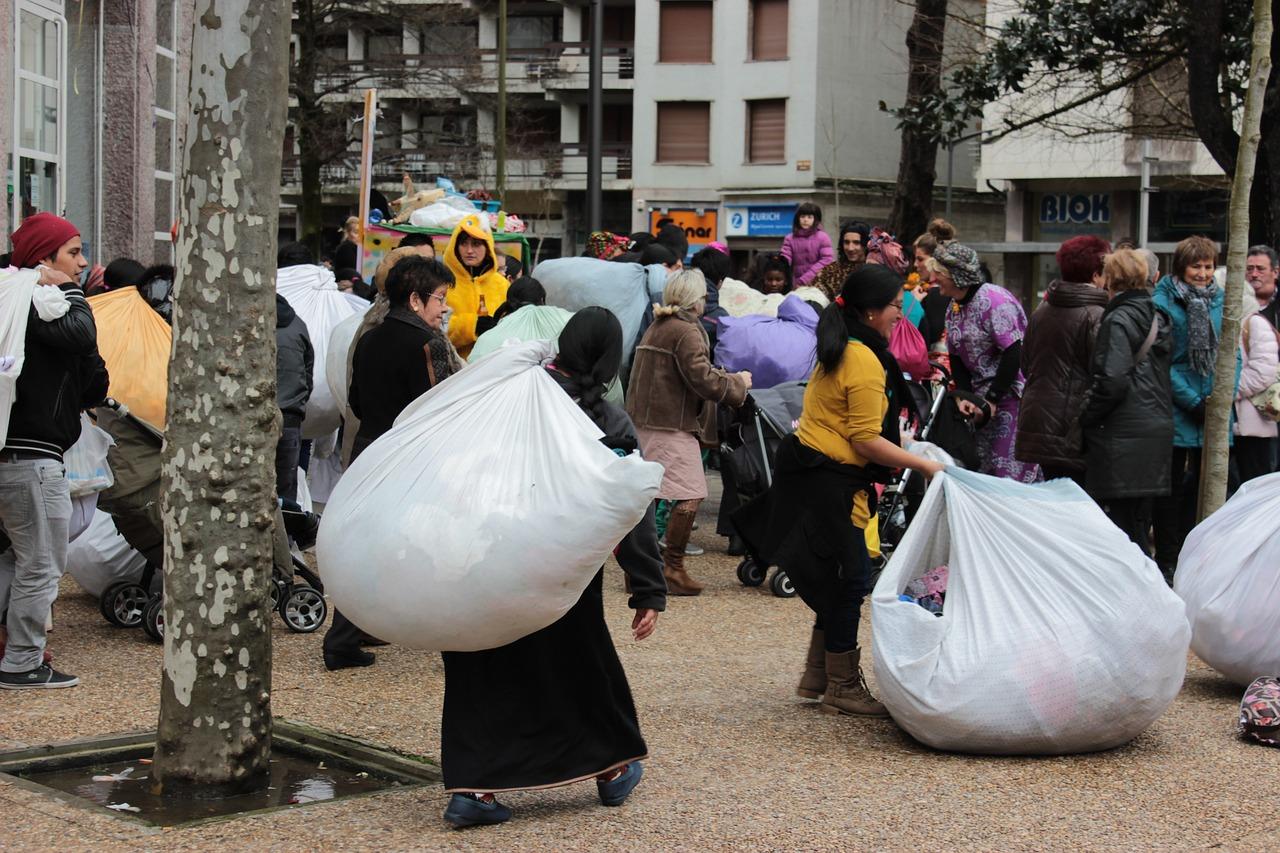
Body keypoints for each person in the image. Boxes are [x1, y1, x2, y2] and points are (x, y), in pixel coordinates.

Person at [441, 308, 666, 828]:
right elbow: (631, 511)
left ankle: (475, 790)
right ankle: (610, 770)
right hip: (564, 568)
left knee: (482, 668)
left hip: (488, 555)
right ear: (612, 359)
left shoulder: (510, 394)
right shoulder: (606, 420)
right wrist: (647, 588)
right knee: (580, 666)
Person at [747, 266, 943, 716]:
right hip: (828, 479)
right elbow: (864, 440)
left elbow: (850, 425)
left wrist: (907, 447)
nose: (901, 314)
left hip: (815, 472)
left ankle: (819, 674)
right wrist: (923, 465)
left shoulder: (847, 345)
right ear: (872, 310)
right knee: (852, 577)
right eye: (897, 306)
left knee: (840, 575)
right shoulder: (863, 358)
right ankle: (841, 684)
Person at [323, 256, 462, 671]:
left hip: (369, 450)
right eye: (440, 299)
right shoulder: (428, 344)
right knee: (439, 544)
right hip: (414, 457)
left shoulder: (369, 337)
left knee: (366, 546)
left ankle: (345, 638)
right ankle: (459, 639)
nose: (443, 309)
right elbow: (443, 406)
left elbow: (357, 402)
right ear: (417, 300)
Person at [0, 213, 109, 689]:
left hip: (11, 452)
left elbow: (91, 378)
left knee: (11, 557)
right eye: (73, 252)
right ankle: (22, 662)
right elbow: (86, 341)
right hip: (31, 456)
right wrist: (69, 290)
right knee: (41, 563)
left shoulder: (11, 302)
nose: (83, 262)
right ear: (45, 259)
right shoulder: (44, 304)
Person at [627, 269, 751, 595]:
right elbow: (702, 379)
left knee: (648, 493)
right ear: (696, 299)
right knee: (690, 493)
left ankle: (638, 569)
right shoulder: (687, 331)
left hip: (646, 421)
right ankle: (672, 568)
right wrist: (738, 384)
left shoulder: (658, 326)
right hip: (671, 424)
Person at [1152, 235, 1237, 574]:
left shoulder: (1221, 300)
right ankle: (1170, 559)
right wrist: (1192, 400)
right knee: (1171, 491)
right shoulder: (1163, 303)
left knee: (1209, 490)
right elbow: (1163, 360)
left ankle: (1201, 558)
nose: (1203, 273)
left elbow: (1233, 353)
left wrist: (1221, 397)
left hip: (1213, 407)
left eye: (1208, 266)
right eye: (1196, 266)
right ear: (1181, 267)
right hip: (1179, 406)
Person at [1080, 249, 1173, 555]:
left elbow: (1112, 379)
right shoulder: (1158, 316)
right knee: (1139, 523)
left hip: (1122, 435)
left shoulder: (1118, 319)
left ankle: (1136, 597)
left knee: (1122, 531)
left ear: (1111, 278)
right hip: (1155, 430)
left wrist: (1086, 416)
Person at [927, 242, 1040, 482]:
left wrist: (991, 399)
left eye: (938, 273)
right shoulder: (954, 307)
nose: (933, 278)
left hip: (1009, 399)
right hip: (980, 405)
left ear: (954, 276)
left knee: (1006, 474)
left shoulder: (995, 301)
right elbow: (956, 355)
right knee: (981, 471)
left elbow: (1014, 352)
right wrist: (966, 397)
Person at [1016, 236, 1112, 484]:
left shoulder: (1041, 311)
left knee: (1056, 499)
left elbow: (1025, 364)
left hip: (1039, 422)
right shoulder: (1097, 315)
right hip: (1074, 428)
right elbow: (1105, 374)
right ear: (1095, 275)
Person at [443, 214, 510, 359]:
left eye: (476, 244)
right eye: (464, 243)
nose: (469, 250)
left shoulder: (502, 284)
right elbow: (434, 329)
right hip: (454, 370)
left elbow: (513, 328)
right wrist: (472, 325)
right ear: (455, 246)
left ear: (488, 247)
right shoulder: (442, 282)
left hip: (493, 367)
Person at [1233, 286, 1278, 484]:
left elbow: (1263, 372)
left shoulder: (1254, 323)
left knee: (1254, 480)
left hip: (1254, 421)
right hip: (1229, 422)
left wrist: (1229, 390)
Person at [274, 292, 314, 503]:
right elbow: (308, 374)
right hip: (290, 417)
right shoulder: (298, 326)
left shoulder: (248, 325)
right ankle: (285, 535)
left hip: (251, 419)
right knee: (285, 491)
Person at [912, 219, 957, 349]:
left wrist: (915, 305)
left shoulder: (937, 292)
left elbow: (930, 336)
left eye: (920, 259)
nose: (915, 265)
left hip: (937, 363)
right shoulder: (936, 289)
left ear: (935, 260)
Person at [813, 221, 870, 301]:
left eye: (856, 243)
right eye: (846, 242)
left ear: (866, 244)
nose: (850, 248)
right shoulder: (831, 271)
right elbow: (814, 295)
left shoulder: (873, 271)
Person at [779, 202, 834, 286]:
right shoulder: (790, 238)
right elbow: (786, 257)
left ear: (815, 219)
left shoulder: (823, 237)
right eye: (802, 216)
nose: (805, 220)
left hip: (818, 283)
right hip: (796, 284)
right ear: (798, 218)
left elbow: (827, 260)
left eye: (809, 217)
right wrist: (780, 262)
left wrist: (805, 279)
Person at [1247, 244, 1279, 329]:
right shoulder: (1234, 304)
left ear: (1275, 272)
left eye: (1260, 269)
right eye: (1249, 269)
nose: (1254, 274)